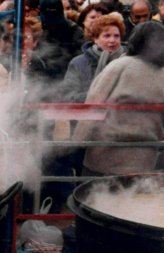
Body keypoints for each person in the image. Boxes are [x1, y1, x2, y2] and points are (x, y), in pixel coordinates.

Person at [73, 21, 164, 176]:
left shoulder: (118, 67)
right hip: (144, 159)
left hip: (103, 157)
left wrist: (76, 143)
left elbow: (93, 107)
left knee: (91, 198)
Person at [62, 13, 126, 103]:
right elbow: (68, 96)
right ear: (96, 38)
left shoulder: (128, 62)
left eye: (116, 36)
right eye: (107, 36)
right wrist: (95, 95)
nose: (112, 40)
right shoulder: (77, 63)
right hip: (86, 115)